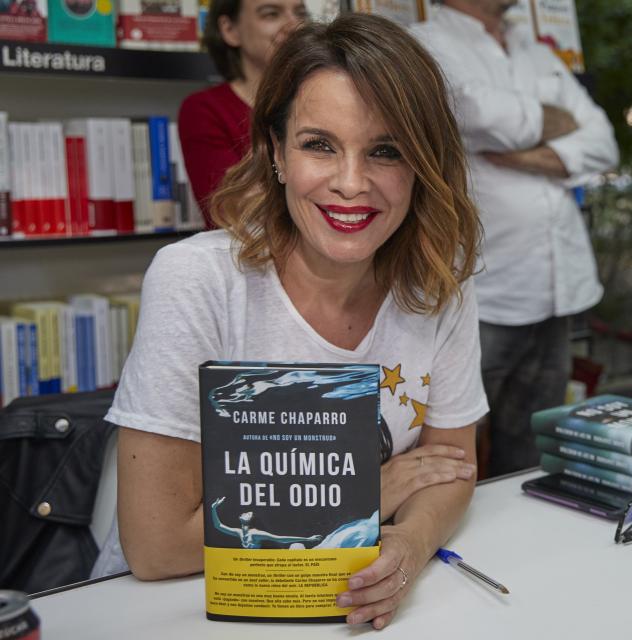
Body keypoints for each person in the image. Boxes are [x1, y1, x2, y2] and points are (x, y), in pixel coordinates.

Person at [106, 14, 487, 630]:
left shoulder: (441, 283)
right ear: (276, 152)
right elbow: (157, 547)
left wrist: (410, 545)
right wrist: (373, 492)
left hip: (352, 602)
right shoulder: (197, 279)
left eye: (386, 151)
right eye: (319, 145)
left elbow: (451, 468)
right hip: (174, 609)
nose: (351, 184)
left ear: (423, 164)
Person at [411, 0, 619, 476]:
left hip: (554, 291)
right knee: (450, 452)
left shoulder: (535, 50)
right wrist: (553, 124)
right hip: (479, 292)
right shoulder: (425, 45)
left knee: (533, 449)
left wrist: (519, 154)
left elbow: (602, 141)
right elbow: (474, 114)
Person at [178, 0, 308, 227]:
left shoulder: (321, 103)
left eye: (300, 13)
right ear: (230, 30)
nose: (294, 25)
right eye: (271, 14)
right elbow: (232, 207)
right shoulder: (204, 109)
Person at [210, 497, 324, 549]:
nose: (246, 513)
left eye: (249, 514)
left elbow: (280, 539)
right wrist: (213, 508)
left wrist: (307, 539)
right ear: (240, 517)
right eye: (246, 513)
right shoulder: (238, 532)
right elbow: (218, 526)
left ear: (250, 520)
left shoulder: (255, 533)